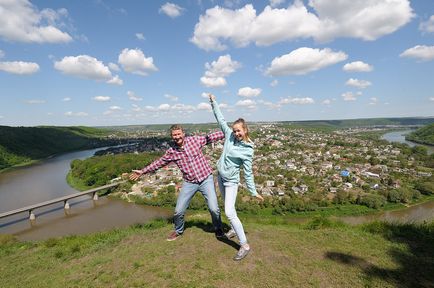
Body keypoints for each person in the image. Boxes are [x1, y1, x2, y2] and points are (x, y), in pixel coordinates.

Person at [129, 124, 225, 241]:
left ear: (183, 134)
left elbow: (210, 137)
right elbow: (158, 163)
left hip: (206, 179)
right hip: (190, 182)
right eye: (174, 135)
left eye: (179, 134)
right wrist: (142, 171)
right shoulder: (172, 152)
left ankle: (218, 228)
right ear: (171, 137)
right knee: (178, 211)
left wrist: (229, 132)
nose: (177, 137)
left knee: (214, 208)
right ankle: (178, 230)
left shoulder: (194, 140)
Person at [209, 94, 264, 261]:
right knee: (228, 210)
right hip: (221, 177)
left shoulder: (248, 149)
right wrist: (214, 102)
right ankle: (233, 229)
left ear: (245, 130)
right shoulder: (229, 135)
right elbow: (220, 119)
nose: (236, 133)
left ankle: (245, 245)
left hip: (232, 181)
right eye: (234, 130)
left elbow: (247, 173)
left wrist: (253, 191)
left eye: (239, 130)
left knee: (229, 212)